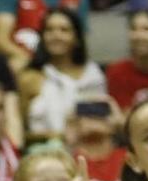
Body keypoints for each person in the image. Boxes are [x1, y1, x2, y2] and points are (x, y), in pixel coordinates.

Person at [25, 7, 105, 144]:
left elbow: (102, 123)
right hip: (44, 153)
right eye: (49, 30)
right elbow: (21, 134)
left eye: (64, 30)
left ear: (77, 38)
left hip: (91, 151)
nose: (56, 35)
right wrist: (59, 137)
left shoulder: (94, 75)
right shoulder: (30, 77)